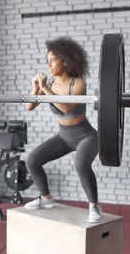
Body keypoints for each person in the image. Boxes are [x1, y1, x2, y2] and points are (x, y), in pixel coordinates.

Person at [22, 37, 103, 223]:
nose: (48, 65)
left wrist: (44, 89)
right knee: (32, 160)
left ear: (65, 61)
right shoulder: (48, 85)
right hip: (64, 137)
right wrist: (36, 89)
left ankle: (94, 206)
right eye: (47, 60)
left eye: (52, 60)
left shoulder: (78, 84)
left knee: (81, 164)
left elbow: (67, 108)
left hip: (86, 136)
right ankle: (46, 198)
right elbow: (28, 107)